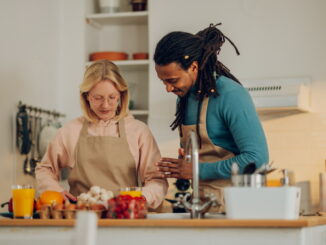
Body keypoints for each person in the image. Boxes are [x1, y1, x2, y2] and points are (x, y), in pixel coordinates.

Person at [153, 23, 268, 209]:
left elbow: (257, 158)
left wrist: (197, 170)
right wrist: (185, 163)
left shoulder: (231, 95)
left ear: (193, 67)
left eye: (172, 80)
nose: (168, 88)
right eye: (163, 81)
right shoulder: (183, 99)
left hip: (236, 207)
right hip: (203, 203)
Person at [35, 60, 168, 209]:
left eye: (112, 97)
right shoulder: (70, 130)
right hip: (81, 217)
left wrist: (144, 197)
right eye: (97, 98)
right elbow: (45, 168)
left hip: (125, 216)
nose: (105, 105)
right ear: (86, 96)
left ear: (121, 95)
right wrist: (56, 191)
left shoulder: (138, 131)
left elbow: (156, 179)